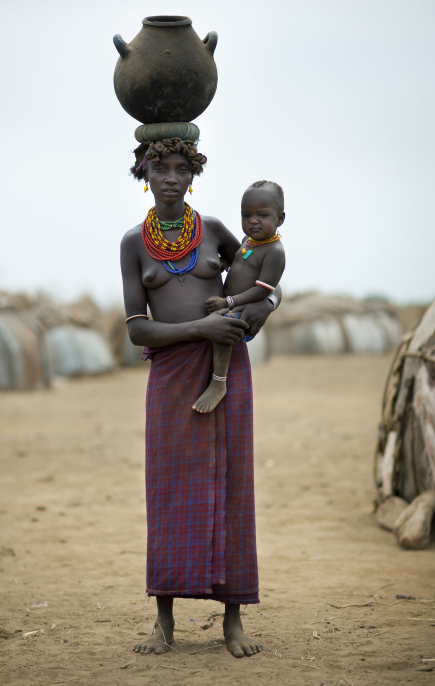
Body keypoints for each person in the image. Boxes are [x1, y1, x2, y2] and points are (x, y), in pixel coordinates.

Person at [120, 137, 281, 658]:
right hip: (170, 377)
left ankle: (233, 621)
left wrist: (254, 314)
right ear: (144, 171)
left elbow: (261, 274)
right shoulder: (133, 244)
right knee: (169, 494)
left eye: (181, 167)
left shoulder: (213, 230)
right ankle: (164, 624)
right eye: (160, 167)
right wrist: (201, 327)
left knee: (231, 486)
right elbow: (138, 332)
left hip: (227, 369)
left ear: (193, 174)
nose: (171, 176)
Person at [193, 180, 285, 413]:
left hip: (245, 309)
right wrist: (225, 263)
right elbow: (239, 262)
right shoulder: (248, 241)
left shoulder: (274, 252)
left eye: (262, 215)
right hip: (231, 303)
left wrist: (228, 302)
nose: (253, 220)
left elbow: (265, 289)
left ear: (280, 219)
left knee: (224, 326)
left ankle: (218, 382)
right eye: (247, 215)